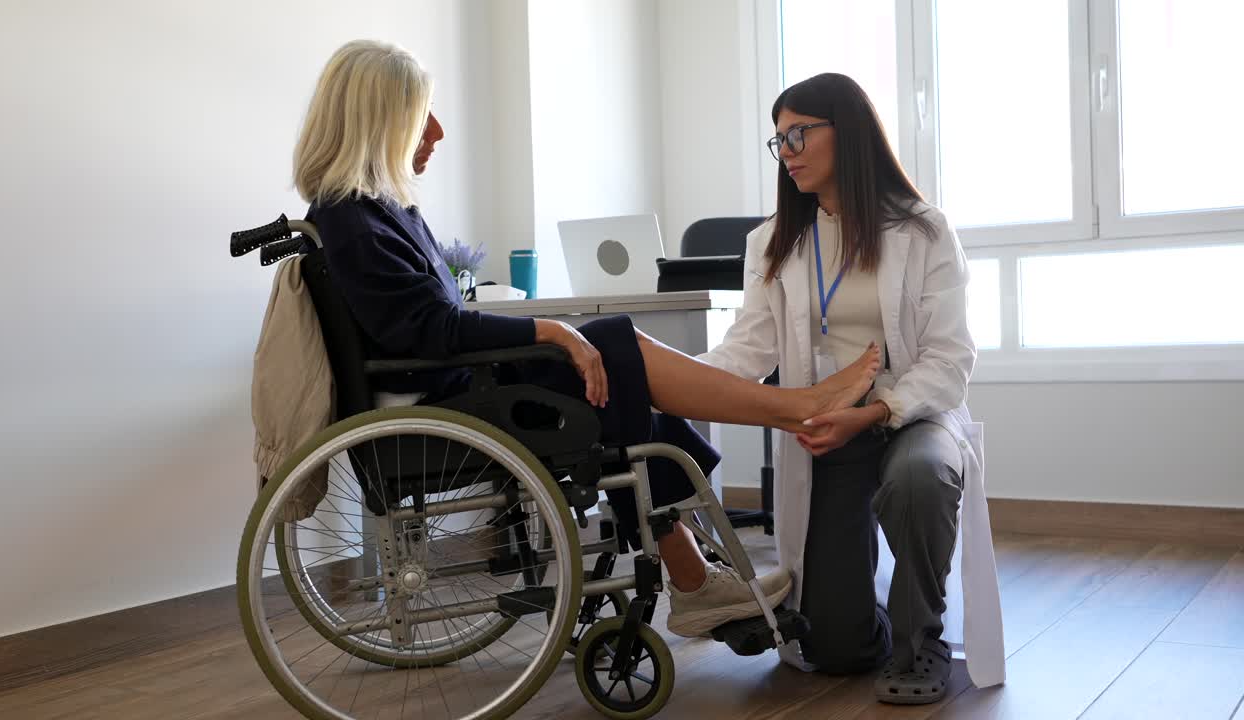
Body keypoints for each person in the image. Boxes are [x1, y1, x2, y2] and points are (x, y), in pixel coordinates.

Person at [290, 41, 883, 639]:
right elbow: (431, 331)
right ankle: (782, 426)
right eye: (424, 117)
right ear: (380, 123)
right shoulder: (355, 220)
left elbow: (426, 324)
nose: (438, 131)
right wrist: (550, 330)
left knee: (617, 364)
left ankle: (696, 570)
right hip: (443, 407)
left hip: (459, 388)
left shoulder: (376, 213)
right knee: (614, 352)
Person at [698, 72, 1005, 704]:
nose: (788, 151)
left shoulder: (923, 231)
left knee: (918, 477)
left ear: (852, 131)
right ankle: (876, 624)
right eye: (779, 139)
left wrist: (877, 410)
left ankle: (922, 644)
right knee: (835, 650)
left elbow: (951, 358)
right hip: (826, 430)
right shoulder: (772, 243)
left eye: (801, 133)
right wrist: (673, 377)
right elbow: (748, 349)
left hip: (913, 416)